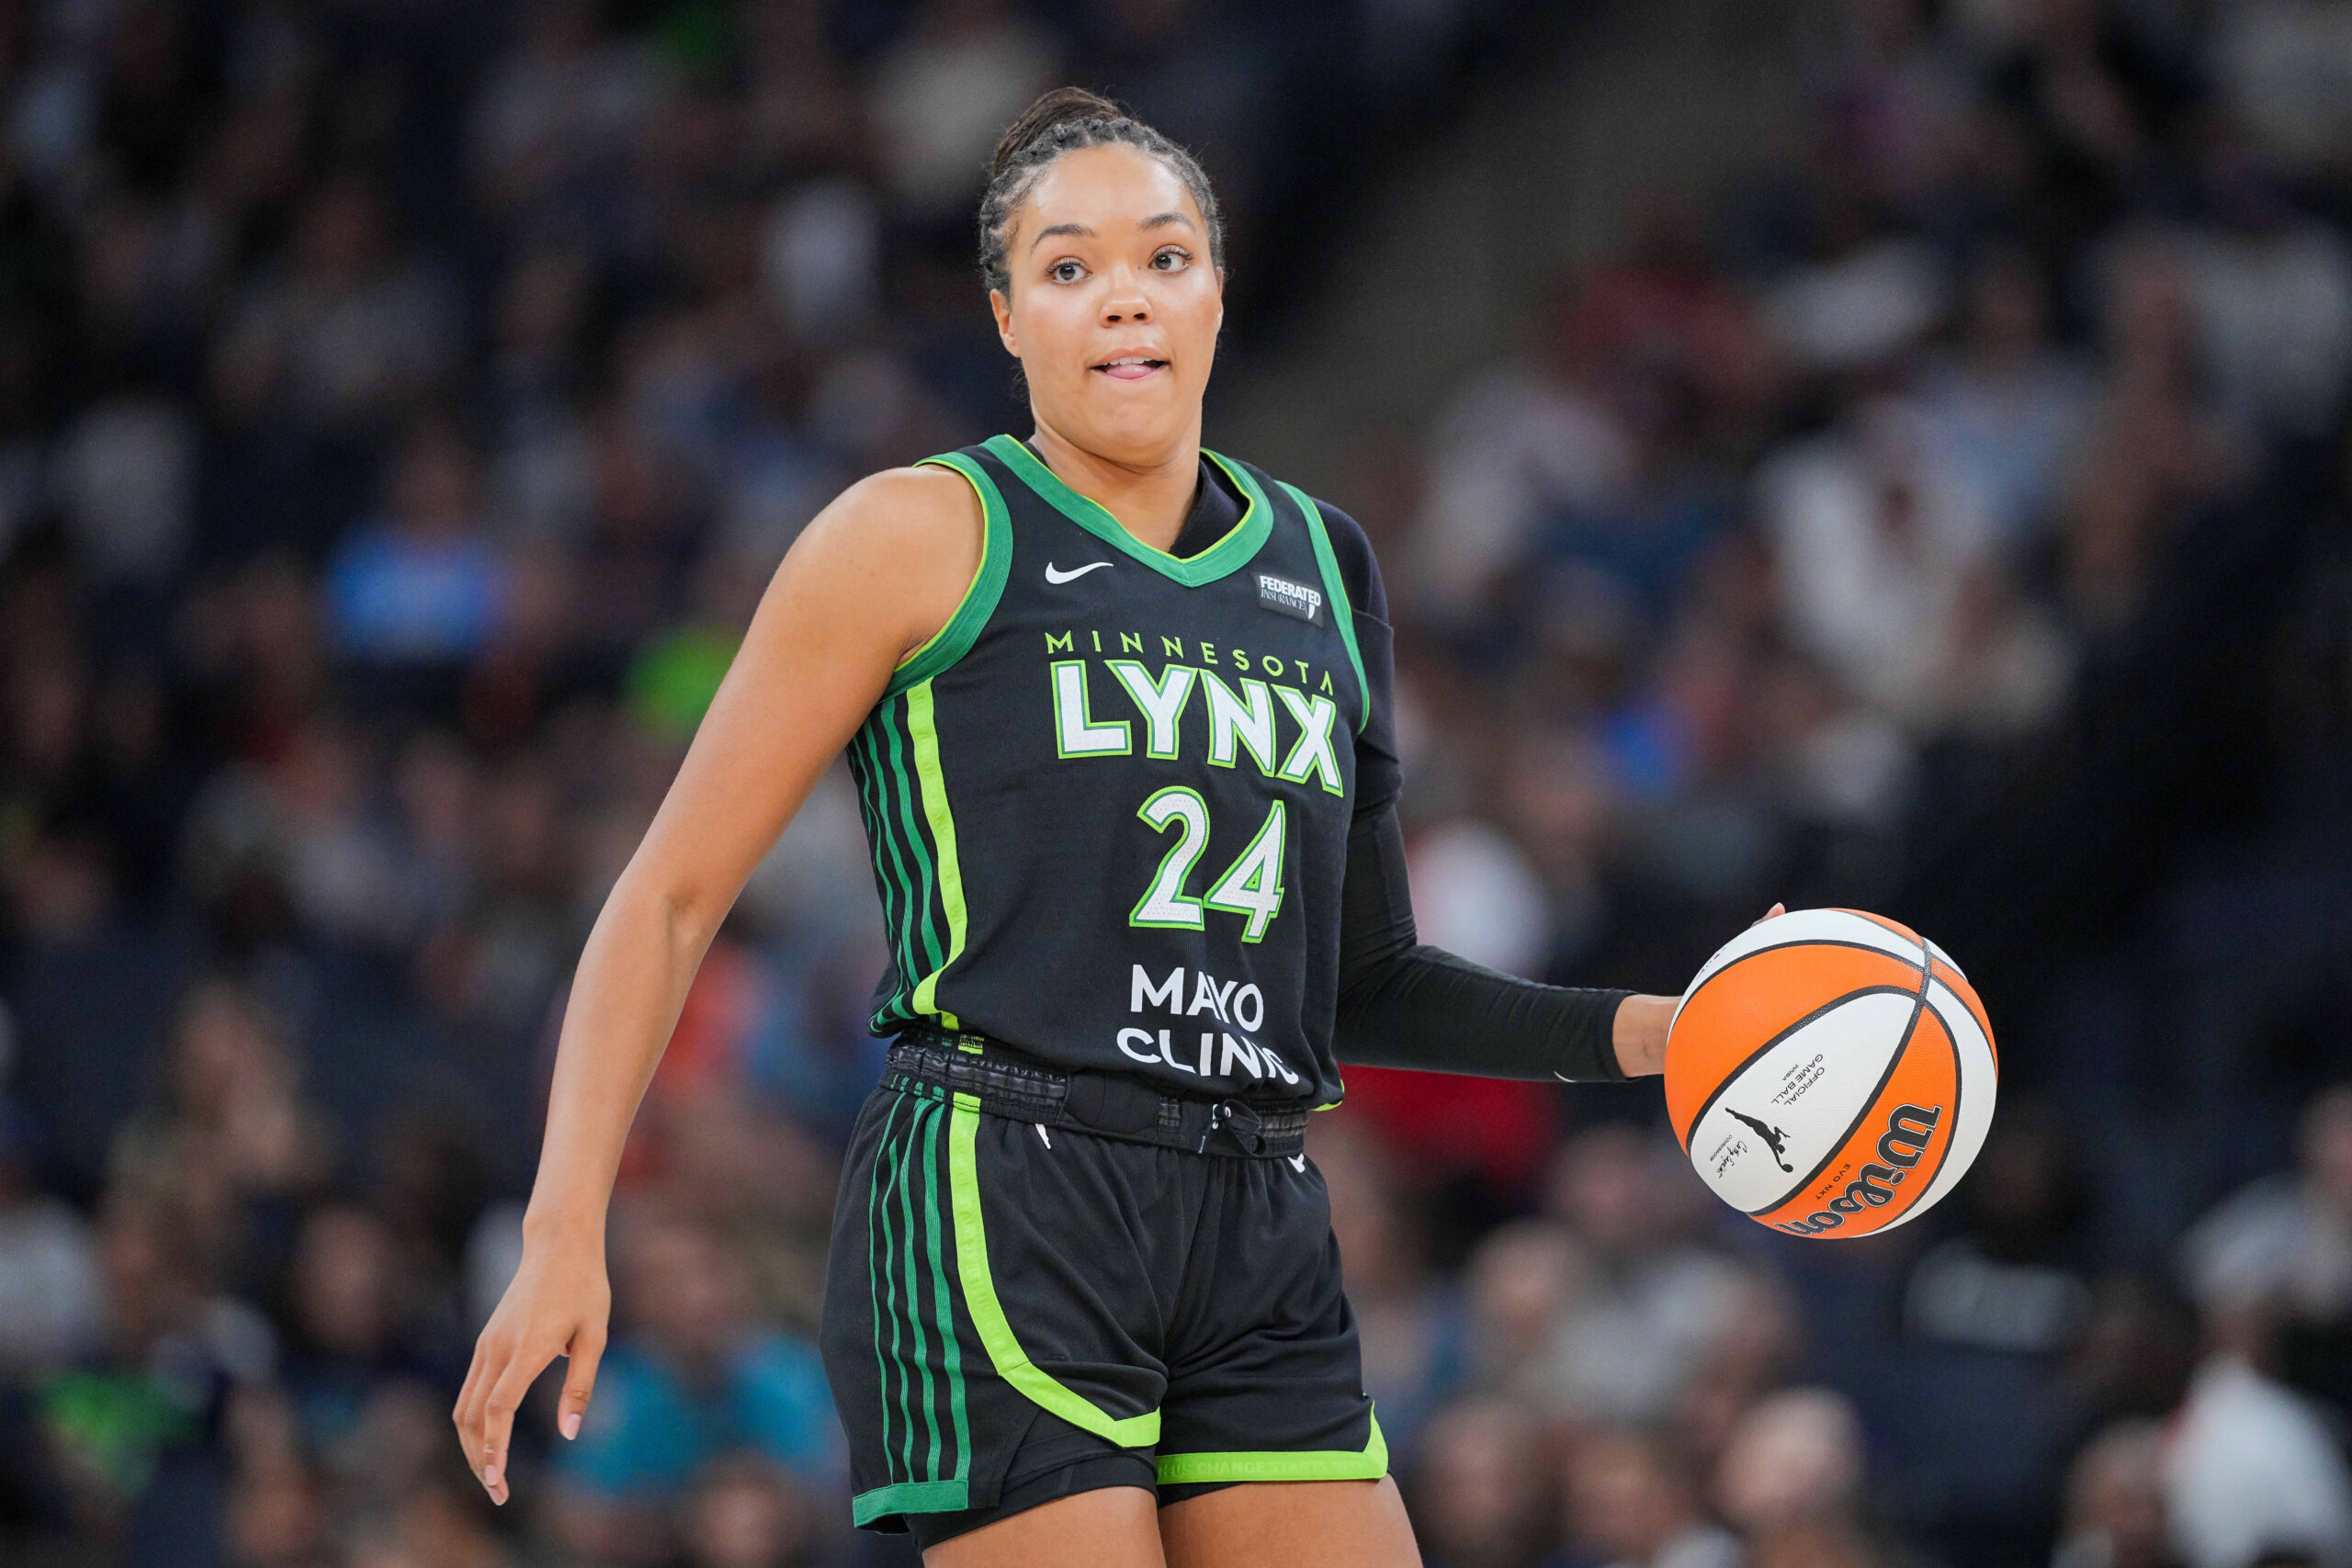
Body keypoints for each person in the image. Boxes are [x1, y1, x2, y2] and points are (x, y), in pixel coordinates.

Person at [453, 87, 1740, 1567]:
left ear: (1216, 288)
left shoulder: (1326, 564)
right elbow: (671, 898)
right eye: (1068, 267)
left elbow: (1358, 979)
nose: (1122, 297)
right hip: (1005, 1184)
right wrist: (565, 1225)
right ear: (1006, 315)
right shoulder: (913, 534)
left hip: (1258, 1204)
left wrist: (1658, 1032)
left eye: (1164, 256)